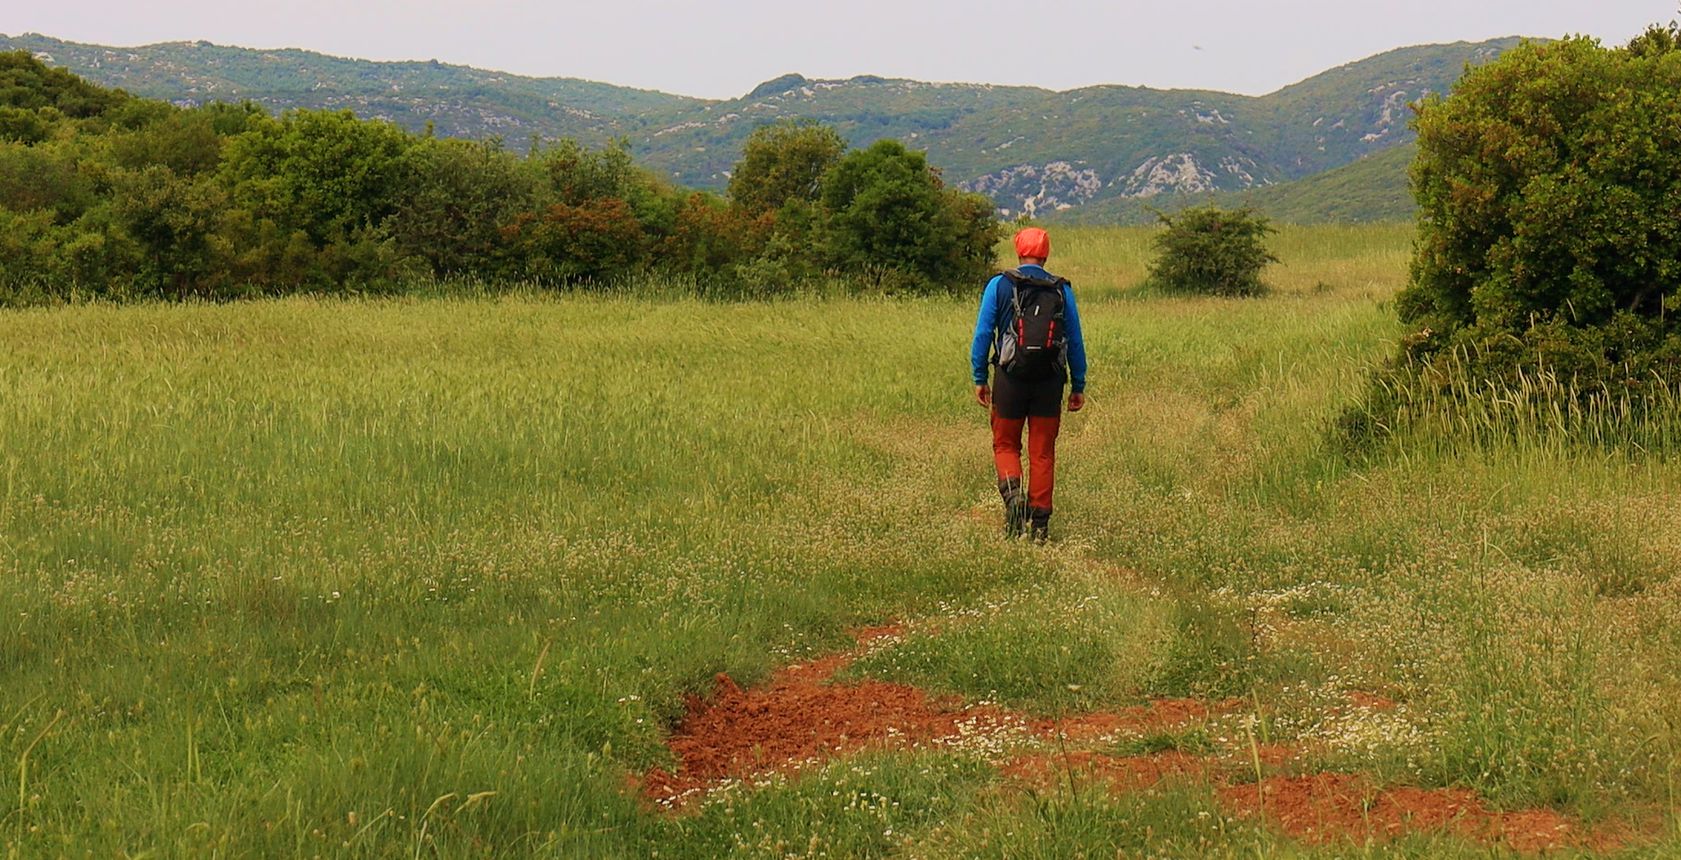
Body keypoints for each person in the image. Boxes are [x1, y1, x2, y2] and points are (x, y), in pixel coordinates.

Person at [969, 227, 1087, 542]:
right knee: (1043, 452)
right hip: (1050, 381)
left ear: (1019, 252)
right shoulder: (1062, 290)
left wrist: (980, 376)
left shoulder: (999, 285)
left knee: (1006, 444)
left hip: (1010, 379)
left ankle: (1013, 498)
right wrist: (1079, 384)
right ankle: (1040, 528)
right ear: (1045, 254)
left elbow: (983, 334)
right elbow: (1074, 340)